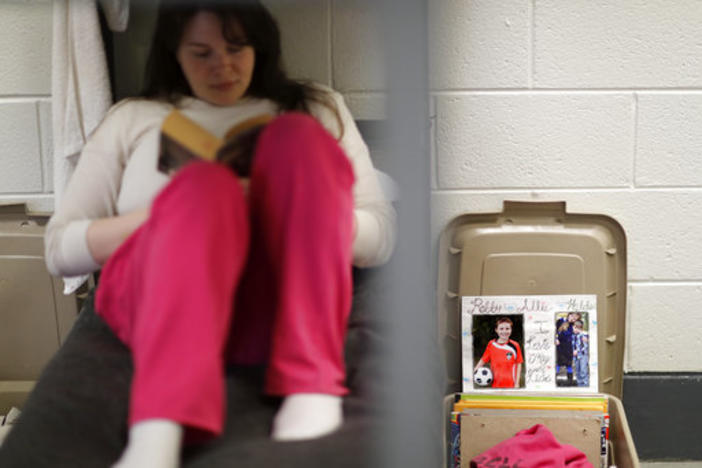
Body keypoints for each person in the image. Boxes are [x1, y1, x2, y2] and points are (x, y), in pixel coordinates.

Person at [44, 1, 395, 467]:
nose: (222, 66)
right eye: (201, 53)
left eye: (235, 48)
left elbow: (382, 238)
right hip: (160, 294)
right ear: (175, 53)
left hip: (277, 298)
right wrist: (166, 215)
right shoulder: (133, 118)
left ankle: (310, 387)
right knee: (204, 186)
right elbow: (58, 250)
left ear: (259, 47)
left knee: (295, 141)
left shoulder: (316, 107)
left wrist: (297, 208)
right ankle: (158, 428)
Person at [473, 317, 523, 388]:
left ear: (511, 330)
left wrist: (517, 383)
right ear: (496, 330)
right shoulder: (492, 344)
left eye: (507, 329)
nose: (504, 331)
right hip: (496, 383)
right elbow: (483, 359)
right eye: (501, 329)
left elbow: (519, 364)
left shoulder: (515, 346)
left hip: (511, 384)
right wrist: (475, 371)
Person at [555, 312, 580, 386]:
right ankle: (554, 382)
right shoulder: (560, 321)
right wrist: (555, 339)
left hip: (569, 347)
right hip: (560, 346)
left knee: (569, 365)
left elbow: (576, 337)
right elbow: (554, 331)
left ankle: (570, 382)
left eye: (575, 318)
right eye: (572, 316)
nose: (573, 319)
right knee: (558, 364)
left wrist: (576, 349)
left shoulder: (574, 326)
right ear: (569, 315)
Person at [572, 319, 589, 387]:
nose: (573, 330)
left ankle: (585, 385)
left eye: (573, 328)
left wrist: (577, 351)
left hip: (582, 356)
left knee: (583, 371)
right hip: (576, 357)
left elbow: (585, 346)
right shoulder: (574, 335)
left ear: (577, 327)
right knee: (577, 372)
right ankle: (579, 385)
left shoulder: (584, 335)